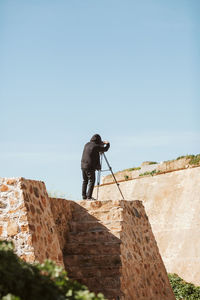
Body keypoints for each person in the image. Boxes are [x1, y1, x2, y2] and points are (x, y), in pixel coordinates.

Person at [81, 134, 110, 200]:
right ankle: (89, 197)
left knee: (85, 181)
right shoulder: (96, 146)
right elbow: (105, 149)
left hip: (83, 165)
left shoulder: (87, 144)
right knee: (92, 181)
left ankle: (84, 196)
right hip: (89, 166)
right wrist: (107, 143)